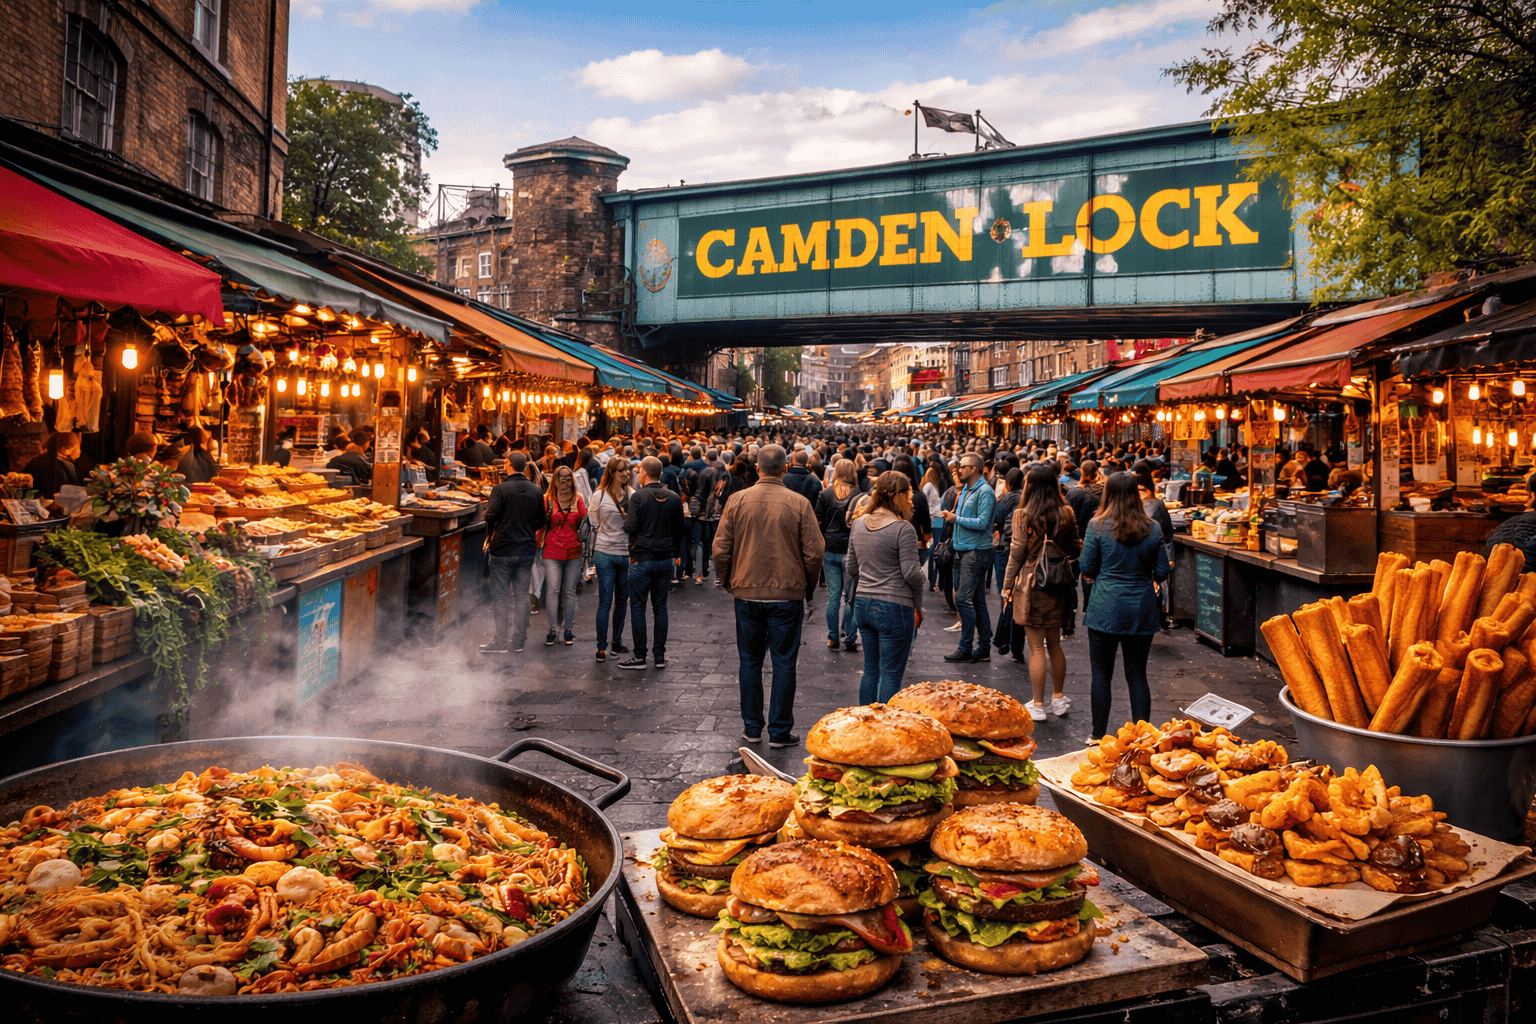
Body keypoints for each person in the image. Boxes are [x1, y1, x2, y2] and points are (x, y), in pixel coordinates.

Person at [713, 444, 825, 748]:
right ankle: (778, 730)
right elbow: (814, 553)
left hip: (747, 591)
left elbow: (720, 548)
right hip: (787, 594)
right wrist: (809, 590)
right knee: (784, 662)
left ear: (758, 468)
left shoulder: (737, 500)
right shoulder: (799, 503)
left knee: (749, 661)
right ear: (785, 469)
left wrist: (728, 580)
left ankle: (752, 727)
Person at [1080, 472, 1171, 742]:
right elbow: (1163, 570)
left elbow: (1086, 567)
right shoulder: (1152, 527)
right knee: (1137, 675)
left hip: (1104, 607)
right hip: (1141, 606)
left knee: (1101, 674)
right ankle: (1142, 735)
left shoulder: (1097, 525)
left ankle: (1098, 734)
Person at [1002, 463, 1081, 721]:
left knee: (1036, 648)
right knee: (1055, 643)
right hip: (1059, 584)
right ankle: (1058, 698)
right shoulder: (1066, 512)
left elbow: (1017, 552)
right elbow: (1075, 548)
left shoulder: (1023, 514)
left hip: (1032, 583)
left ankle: (1038, 705)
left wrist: (1007, 584)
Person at [846, 471, 925, 704]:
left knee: (870, 670)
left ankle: (866, 721)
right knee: (891, 673)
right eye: (908, 494)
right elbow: (912, 572)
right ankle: (887, 727)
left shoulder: (858, 523)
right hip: (894, 605)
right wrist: (921, 592)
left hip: (863, 603)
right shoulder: (903, 529)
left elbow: (851, 566)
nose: (911, 500)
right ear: (896, 496)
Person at [620, 456, 686, 670]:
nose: (637, 474)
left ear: (645, 473)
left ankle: (640, 655)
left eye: (639, 471)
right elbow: (681, 529)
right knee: (661, 607)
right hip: (665, 558)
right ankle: (659, 655)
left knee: (638, 608)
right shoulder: (674, 498)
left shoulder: (638, 497)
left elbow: (630, 527)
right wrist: (675, 552)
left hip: (642, 557)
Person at [482, 451, 547, 655]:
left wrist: (496, 528)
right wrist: (527, 527)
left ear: (509, 465)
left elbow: (490, 515)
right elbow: (541, 520)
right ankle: (519, 640)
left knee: (500, 596)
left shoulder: (500, 489)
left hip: (502, 549)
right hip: (525, 549)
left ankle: (501, 639)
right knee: (521, 596)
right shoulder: (536, 490)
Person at [940, 452, 995, 663]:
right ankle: (983, 649)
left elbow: (982, 523)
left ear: (973, 468)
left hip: (976, 551)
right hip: (963, 549)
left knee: (963, 599)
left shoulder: (985, 492)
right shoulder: (966, 491)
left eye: (962, 466)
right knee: (977, 600)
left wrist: (956, 518)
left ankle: (966, 647)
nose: (958, 470)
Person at [814, 459, 862, 650]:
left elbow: (817, 521)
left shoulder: (825, 494)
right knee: (851, 597)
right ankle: (850, 637)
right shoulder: (858, 495)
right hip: (851, 549)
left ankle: (833, 636)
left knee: (833, 596)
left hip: (830, 548)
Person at [587, 460, 632, 662]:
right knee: (606, 599)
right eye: (622, 470)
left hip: (626, 553)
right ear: (612, 472)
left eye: (628, 470)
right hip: (605, 552)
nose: (627, 473)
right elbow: (593, 521)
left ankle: (617, 642)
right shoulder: (599, 495)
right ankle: (601, 646)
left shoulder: (632, 494)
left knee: (622, 600)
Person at [540, 465, 586, 647]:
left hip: (574, 550)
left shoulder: (579, 499)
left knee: (569, 592)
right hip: (552, 549)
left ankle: (568, 630)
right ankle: (552, 629)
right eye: (561, 478)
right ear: (555, 480)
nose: (565, 481)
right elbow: (540, 523)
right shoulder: (547, 500)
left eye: (568, 478)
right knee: (552, 590)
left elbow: (584, 522)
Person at [991, 466, 1024, 658]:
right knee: (1017, 597)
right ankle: (1015, 645)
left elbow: (996, 519)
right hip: (1020, 552)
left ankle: (1005, 639)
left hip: (1006, 548)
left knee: (1006, 595)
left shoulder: (1008, 498)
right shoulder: (1026, 498)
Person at [24, 431, 82, 498]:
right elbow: (78, 489)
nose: (77, 450)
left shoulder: (36, 459)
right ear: (63, 449)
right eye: (74, 448)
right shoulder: (66, 465)